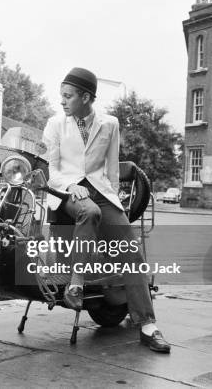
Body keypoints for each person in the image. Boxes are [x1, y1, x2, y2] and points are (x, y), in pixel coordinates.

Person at [42, 67, 171, 353]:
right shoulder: (55, 124)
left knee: (131, 252)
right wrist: (69, 187)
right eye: (61, 96)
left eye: (68, 96)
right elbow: (52, 171)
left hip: (102, 194)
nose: (62, 101)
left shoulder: (110, 124)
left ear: (86, 97)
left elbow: (112, 171)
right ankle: (75, 284)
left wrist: (118, 207)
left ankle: (148, 325)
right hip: (68, 193)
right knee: (89, 212)